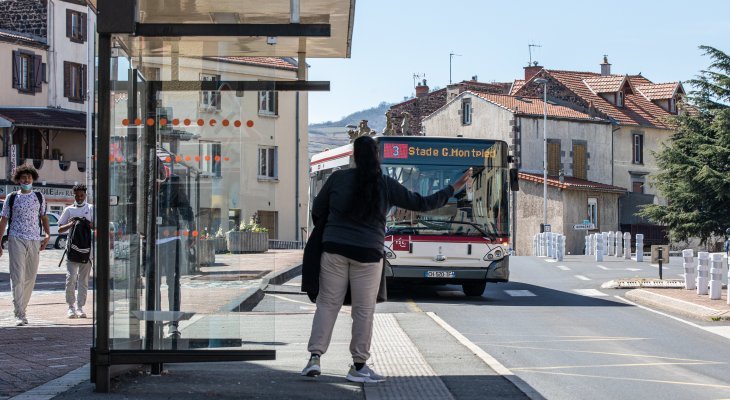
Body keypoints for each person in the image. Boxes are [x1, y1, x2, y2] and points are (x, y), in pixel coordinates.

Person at [301, 135, 472, 382]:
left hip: (334, 249)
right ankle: (358, 367)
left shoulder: (338, 179)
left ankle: (314, 359)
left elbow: (318, 209)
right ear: (377, 157)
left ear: (353, 157)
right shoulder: (386, 184)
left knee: (327, 304)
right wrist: (452, 189)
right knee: (363, 310)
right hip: (369, 254)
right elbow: (422, 203)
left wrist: (334, 230)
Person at [0, 165, 51, 326]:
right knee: (17, 275)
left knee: (30, 276)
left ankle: (23, 307)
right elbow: (4, 220)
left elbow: (44, 217)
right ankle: (19, 313)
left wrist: (48, 235)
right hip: (16, 238)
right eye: (23, 177)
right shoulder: (12, 197)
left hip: (35, 240)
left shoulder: (39, 196)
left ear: (33, 179)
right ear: (18, 180)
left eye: (29, 177)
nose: (26, 180)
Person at [156, 161, 194, 338]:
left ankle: (173, 324)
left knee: (172, 282)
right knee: (152, 284)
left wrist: (192, 231)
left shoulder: (173, 181)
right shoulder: (141, 182)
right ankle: (155, 324)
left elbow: (185, 206)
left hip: (171, 236)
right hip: (151, 239)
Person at [58, 183, 94, 318]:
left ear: (85, 195)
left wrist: (88, 223)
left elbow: (97, 226)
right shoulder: (68, 210)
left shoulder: (91, 209)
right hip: (72, 250)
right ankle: (71, 306)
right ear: (73, 196)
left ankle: (80, 307)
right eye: (77, 195)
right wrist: (71, 223)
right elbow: (60, 229)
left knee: (83, 280)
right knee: (71, 278)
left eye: (81, 195)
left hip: (87, 250)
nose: (79, 198)